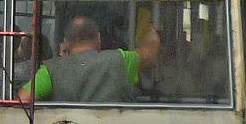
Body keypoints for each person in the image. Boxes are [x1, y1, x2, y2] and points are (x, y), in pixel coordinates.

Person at [21, 15, 154, 105]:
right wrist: (150, 25)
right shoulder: (122, 59)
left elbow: (23, 99)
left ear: (66, 42)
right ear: (99, 38)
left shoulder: (50, 70)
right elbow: (151, 49)